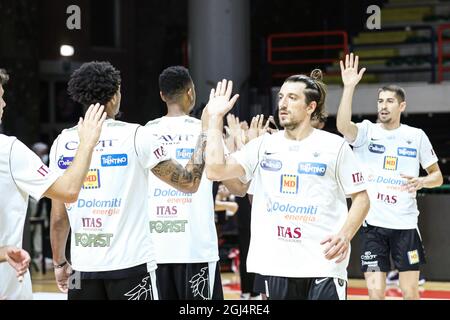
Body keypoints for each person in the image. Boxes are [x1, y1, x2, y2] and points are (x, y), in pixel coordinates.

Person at [49, 62, 208, 300]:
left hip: (82, 269)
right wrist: (207, 131)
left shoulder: (62, 143)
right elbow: (189, 182)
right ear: (114, 97)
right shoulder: (137, 135)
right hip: (131, 267)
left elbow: (59, 217)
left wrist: (59, 262)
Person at [204, 76, 370, 300]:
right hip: (277, 266)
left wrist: (345, 235)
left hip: (323, 264)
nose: (282, 103)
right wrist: (214, 119)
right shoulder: (263, 145)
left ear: (311, 107)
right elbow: (216, 171)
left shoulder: (335, 146)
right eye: (281, 97)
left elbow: (361, 198)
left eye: (292, 98)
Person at [336, 53, 443, 300]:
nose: (383, 105)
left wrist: (422, 181)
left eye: (389, 101)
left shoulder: (416, 136)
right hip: (372, 228)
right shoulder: (366, 131)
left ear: (401, 106)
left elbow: (437, 176)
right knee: (375, 293)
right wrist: (349, 87)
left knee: (410, 292)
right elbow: (343, 126)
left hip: (405, 227)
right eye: (380, 101)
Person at [0, 68, 106, 300]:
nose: (4, 104)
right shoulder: (8, 150)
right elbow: (68, 191)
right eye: (0, 97)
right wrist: (87, 143)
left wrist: (3, 252)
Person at [145, 66, 226, 300]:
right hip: (197, 250)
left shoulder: (144, 133)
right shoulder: (207, 132)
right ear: (191, 92)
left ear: (162, 95)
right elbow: (237, 186)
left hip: (154, 251)